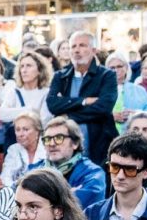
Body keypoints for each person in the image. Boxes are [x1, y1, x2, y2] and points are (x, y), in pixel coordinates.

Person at [47, 31, 118, 165]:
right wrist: (83, 101)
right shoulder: (60, 77)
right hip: (65, 148)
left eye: (82, 45)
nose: (77, 50)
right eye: (73, 46)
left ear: (93, 50)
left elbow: (103, 108)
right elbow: (52, 104)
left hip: (99, 146)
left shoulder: (106, 76)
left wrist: (68, 116)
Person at [41, 116, 105, 210]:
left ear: (75, 143)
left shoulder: (93, 173)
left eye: (59, 138)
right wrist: (69, 194)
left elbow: (78, 208)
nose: (52, 144)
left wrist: (39, 197)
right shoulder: (33, 169)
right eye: (47, 139)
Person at [0, 47, 53, 127]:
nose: (24, 70)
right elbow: (2, 114)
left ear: (39, 70)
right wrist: (29, 110)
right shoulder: (15, 91)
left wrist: (15, 114)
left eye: (29, 66)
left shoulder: (46, 93)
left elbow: (44, 121)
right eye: (22, 66)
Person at [105, 51, 147, 133]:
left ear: (126, 68)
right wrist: (110, 116)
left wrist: (136, 114)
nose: (116, 70)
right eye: (112, 68)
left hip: (134, 135)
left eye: (119, 66)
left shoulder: (139, 90)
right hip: (106, 135)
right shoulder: (100, 90)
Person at [1, 110, 47, 187]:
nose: (20, 134)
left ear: (37, 131)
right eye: (18, 130)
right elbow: (5, 178)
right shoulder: (13, 150)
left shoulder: (47, 147)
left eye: (25, 129)